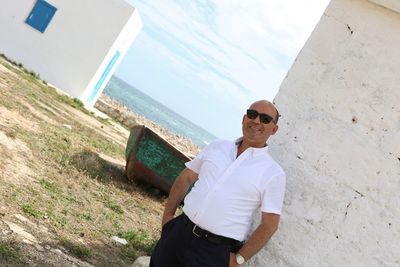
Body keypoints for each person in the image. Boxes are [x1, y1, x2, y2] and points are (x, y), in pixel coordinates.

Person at [150, 100, 286, 267]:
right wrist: (168, 218)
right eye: (252, 114)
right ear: (244, 118)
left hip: (214, 254)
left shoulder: (273, 173)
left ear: (274, 129)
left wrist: (239, 259)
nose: (256, 121)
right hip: (178, 233)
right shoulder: (218, 146)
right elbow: (186, 178)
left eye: (265, 119)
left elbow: (270, 224)